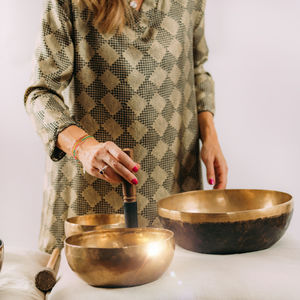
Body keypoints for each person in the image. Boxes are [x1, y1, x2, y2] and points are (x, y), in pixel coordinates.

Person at [24, 0, 228, 253]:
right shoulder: (68, 3)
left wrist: (210, 136)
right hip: (91, 193)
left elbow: (197, 69)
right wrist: (83, 148)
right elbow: (40, 92)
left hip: (173, 185)